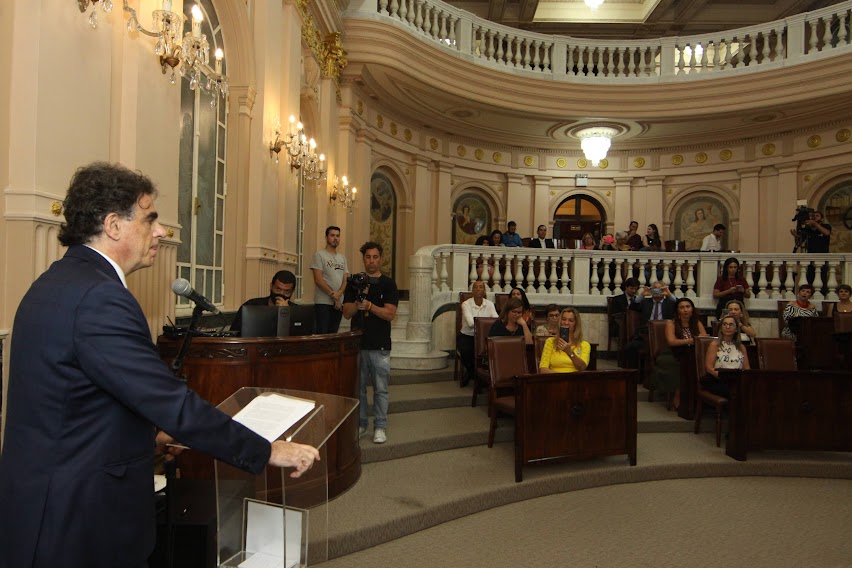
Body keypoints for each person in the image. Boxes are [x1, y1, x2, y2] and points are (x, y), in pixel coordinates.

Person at [0, 163, 319, 568]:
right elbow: (173, 403)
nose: (162, 232)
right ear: (114, 225)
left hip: (46, 503)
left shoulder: (56, 281)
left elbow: (76, 401)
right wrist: (266, 450)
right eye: (150, 218)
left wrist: (150, 435)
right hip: (79, 519)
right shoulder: (101, 298)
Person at [342, 241, 399, 444]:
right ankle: (361, 424)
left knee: (380, 389)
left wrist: (370, 305)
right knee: (358, 389)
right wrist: (358, 303)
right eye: (368, 257)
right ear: (363, 258)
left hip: (380, 345)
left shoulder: (388, 284)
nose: (372, 261)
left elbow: (390, 314)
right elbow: (346, 313)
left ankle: (380, 427)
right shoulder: (354, 282)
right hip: (357, 343)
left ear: (380, 259)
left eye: (375, 257)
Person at [651, 298, 707, 410]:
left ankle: (693, 399)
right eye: (682, 307)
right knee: (683, 365)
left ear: (692, 309)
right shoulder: (671, 323)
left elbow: (704, 339)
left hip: (691, 353)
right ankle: (678, 396)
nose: (685, 310)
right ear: (677, 311)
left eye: (688, 307)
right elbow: (672, 342)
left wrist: (694, 341)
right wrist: (693, 340)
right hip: (672, 354)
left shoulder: (697, 322)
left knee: (694, 363)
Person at [622, 281, 678, 369]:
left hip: (665, 334)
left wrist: (669, 294)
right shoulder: (645, 301)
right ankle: (633, 375)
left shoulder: (670, 302)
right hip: (646, 334)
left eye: (659, 289)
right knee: (630, 347)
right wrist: (642, 295)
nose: (657, 292)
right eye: (654, 289)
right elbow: (632, 307)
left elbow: (680, 304)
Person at [458, 280, 498, 386]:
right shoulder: (466, 304)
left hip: (484, 336)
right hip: (468, 336)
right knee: (466, 352)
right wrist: (486, 323)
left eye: (481, 287)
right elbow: (471, 323)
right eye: (476, 287)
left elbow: (496, 321)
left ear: (484, 291)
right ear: (472, 291)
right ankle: (474, 374)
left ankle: (474, 375)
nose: (478, 289)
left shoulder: (489, 304)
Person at [231, 269, 297, 333]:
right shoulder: (251, 306)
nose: (281, 294)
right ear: (271, 286)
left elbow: (300, 337)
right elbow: (234, 334)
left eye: (287, 291)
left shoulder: (297, 311)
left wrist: (287, 313)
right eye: (278, 289)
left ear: (292, 292)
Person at [311, 225, 349, 334]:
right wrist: (334, 296)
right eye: (332, 235)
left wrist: (339, 294)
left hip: (338, 304)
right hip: (323, 303)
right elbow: (318, 280)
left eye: (338, 236)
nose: (335, 238)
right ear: (326, 237)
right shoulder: (319, 255)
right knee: (323, 334)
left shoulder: (342, 258)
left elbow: (345, 279)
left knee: (333, 334)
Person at [703, 313, 750, 398]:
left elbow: (746, 368)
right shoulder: (715, 345)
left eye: (731, 324)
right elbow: (709, 368)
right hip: (717, 379)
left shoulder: (741, 347)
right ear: (721, 328)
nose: (727, 327)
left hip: (736, 379)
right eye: (725, 324)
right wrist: (725, 377)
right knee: (732, 391)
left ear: (736, 329)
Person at [539, 307, 591, 373]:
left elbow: (582, 367)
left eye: (571, 320)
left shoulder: (584, 345)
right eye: (563, 319)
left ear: (576, 324)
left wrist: (570, 352)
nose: (566, 323)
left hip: (574, 380)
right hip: (554, 379)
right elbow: (543, 369)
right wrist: (561, 378)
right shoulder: (550, 342)